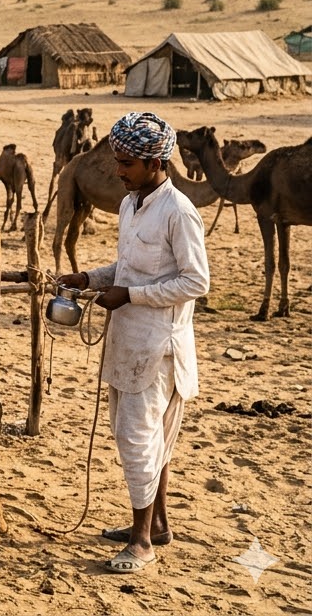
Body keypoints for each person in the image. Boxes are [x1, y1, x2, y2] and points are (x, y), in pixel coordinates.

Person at [56, 112, 209, 574]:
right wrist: (89, 278)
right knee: (147, 439)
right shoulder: (130, 204)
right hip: (128, 340)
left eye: (127, 163)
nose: (118, 171)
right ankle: (156, 524)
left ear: (155, 163)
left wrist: (131, 296)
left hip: (158, 348)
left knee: (137, 439)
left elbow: (196, 281)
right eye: (118, 161)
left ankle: (141, 541)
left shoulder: (178, 212)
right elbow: (127, 268)